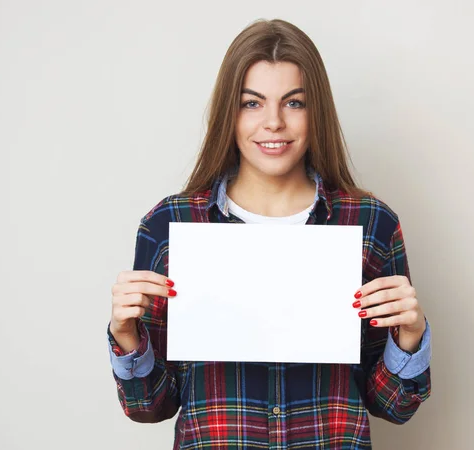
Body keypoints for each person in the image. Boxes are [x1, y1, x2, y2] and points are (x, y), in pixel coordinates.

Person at [107, 18, 431, 449]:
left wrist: (410, 337)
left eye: (294, 103)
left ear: (317, 111)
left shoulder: (370, 224)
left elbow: (392, 406)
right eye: (252, 103)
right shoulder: (169, 225)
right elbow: (151, 406)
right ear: (230, 112)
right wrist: (127, 336)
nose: (274, 122)